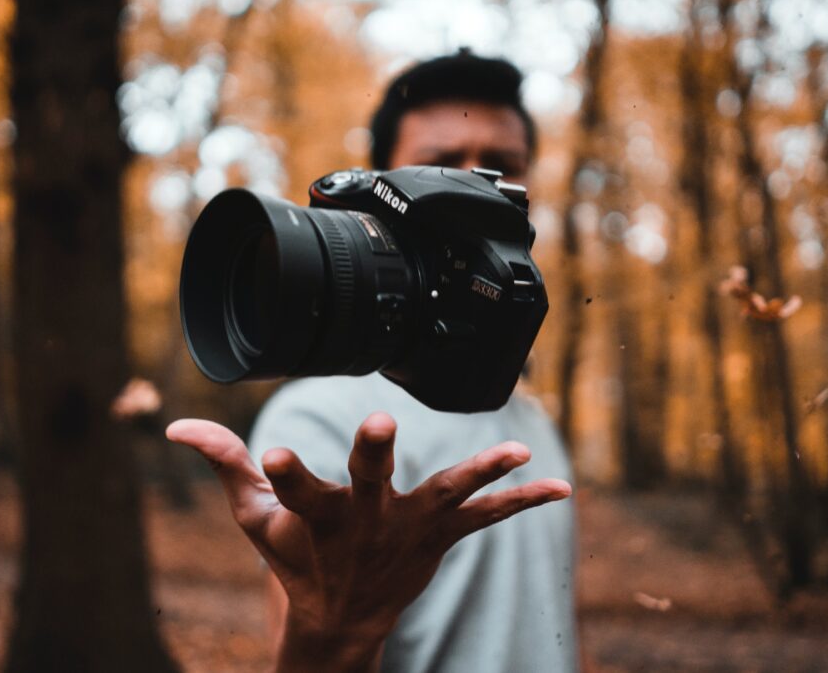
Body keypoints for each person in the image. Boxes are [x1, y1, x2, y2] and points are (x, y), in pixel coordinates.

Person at [167, 51, 579, 672]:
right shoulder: (322, 416)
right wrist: (338, 631)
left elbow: (555, 634)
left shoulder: (527, 415)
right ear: (384, 184)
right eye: (442, 166)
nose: (475, 187)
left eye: (502, 169)